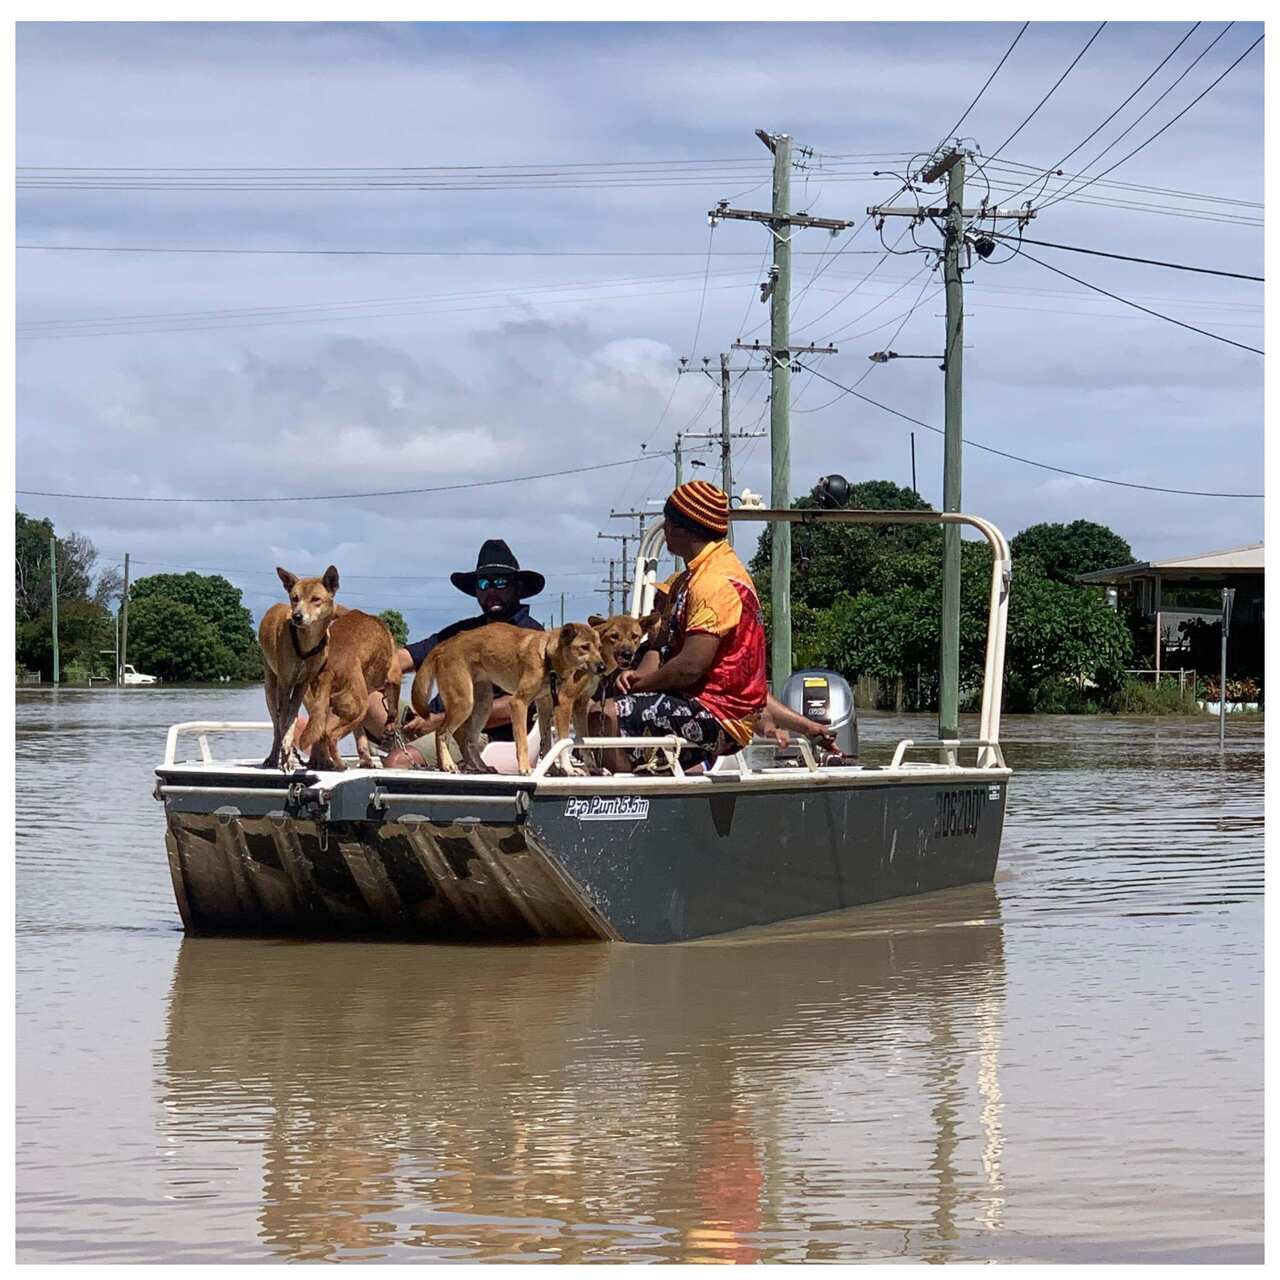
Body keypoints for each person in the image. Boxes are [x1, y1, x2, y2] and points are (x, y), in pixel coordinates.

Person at [602, 480, 767, 771]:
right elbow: (662, 647)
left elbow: (692, 665)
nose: (664, 530)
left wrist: (643, 684)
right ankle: (641, 781)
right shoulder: (686, 580)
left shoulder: (714, 581)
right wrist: (631, 679)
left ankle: (618, 801)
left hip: (720, 714)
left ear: (683, 527)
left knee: (609, 714)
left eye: (667, 522)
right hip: (693, 703)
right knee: (603, 705)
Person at [377, 539, 545, 768]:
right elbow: (404, 658)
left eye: (501, 582)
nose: (492, 590)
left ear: (517, 588)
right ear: (476, 591)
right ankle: (322, 762)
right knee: (360, 697)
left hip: (481, 735)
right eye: (484, 584)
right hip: (427, 720)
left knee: (397, 762)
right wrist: (357, 670)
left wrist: (438, 722)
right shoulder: (464, 633)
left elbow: (515, 705)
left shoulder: (532, 636)